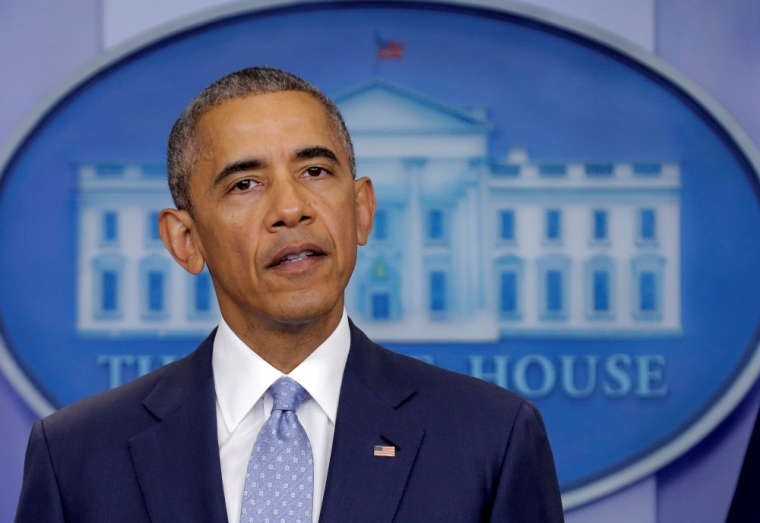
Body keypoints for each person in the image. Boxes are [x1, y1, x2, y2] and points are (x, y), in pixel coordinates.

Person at [15, 67, 564, 523]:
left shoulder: (491, 438)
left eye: (316, 170)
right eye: (245, 184)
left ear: (362, 211)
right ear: (186, 241)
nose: (291, 208)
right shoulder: (77, 456)